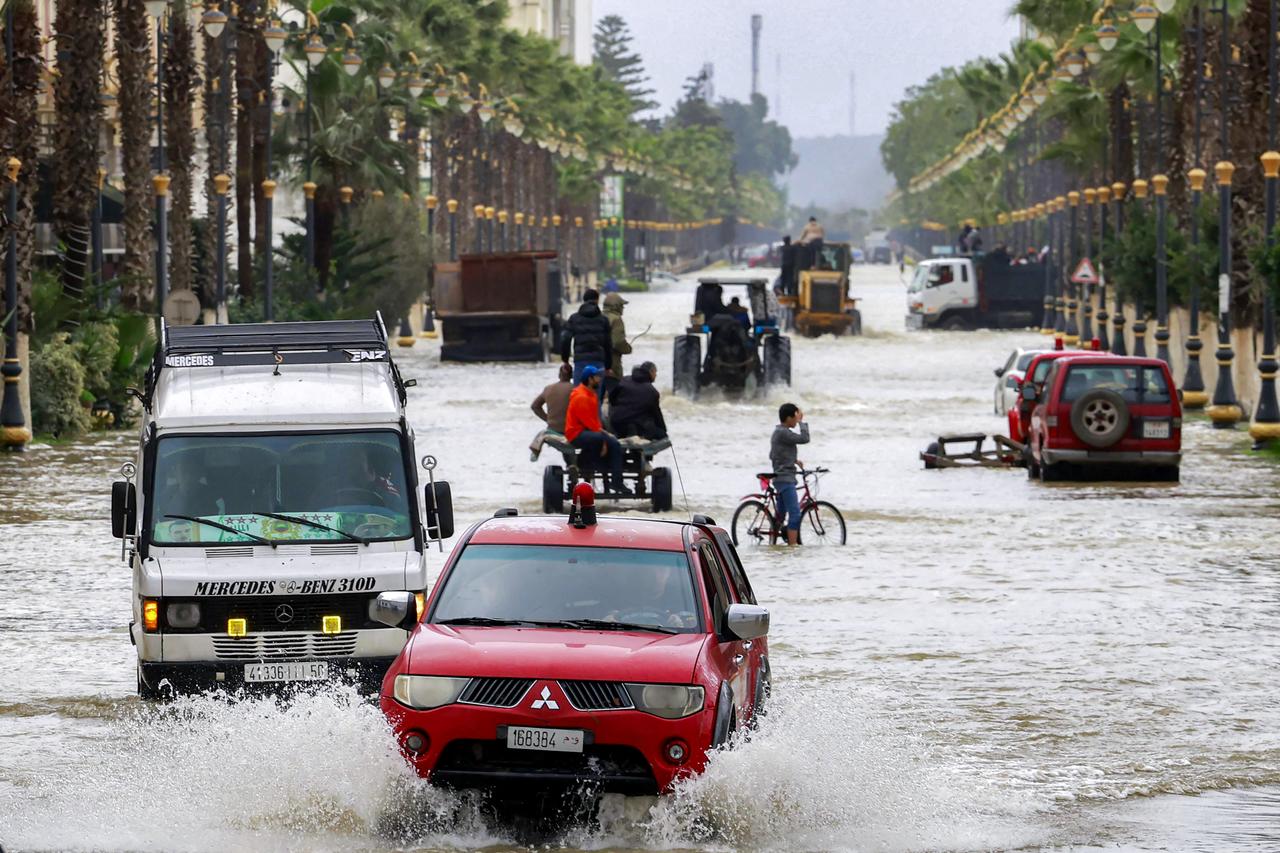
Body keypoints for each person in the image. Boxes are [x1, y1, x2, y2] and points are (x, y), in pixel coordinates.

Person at [565, 365, 629, 494]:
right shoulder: (581, 396)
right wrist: (605, 437)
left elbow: (595, 420)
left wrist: (603, 435)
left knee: (611, 439)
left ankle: (600, 465)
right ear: (590, 379)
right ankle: (617, 482)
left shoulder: (591, 395)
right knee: (614, 443)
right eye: (597, 377)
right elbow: (588, 422)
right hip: (576, 434)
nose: (600, 380)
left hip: (588, 431)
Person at [770, 403, 810, 546]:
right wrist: (802, 422)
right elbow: (805, 438)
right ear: (788, 418)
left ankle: (773, 542)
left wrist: (793, 460)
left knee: (780, 516)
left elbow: (775, 454)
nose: (796, 419)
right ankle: (792, 547)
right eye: (795, 416)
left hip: (781, 477)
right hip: (785, 479)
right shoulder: (783, 432)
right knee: (795, 514)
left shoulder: (779, 432)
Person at [560, 289, 612, 384]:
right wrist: (608, 366)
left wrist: (565, 360)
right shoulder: (604, 320)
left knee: (579, 394)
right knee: (596, 394)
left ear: (584, 300)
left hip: (580, 361)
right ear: (597, 300)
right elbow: (608, 344)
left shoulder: (574, 318)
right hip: (598, 360)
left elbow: (565, 339)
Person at [608, 361, 667, 441]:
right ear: (651, 372)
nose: (656, 375)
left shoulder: (624, 380)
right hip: (635, 427)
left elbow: (612, 398)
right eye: (655, 372)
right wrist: (664, 430)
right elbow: (656, 414)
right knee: (660, 434)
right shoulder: (652, 392)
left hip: (616, 422)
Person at [531, 363, 574, 434]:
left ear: (559, 375)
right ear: (572, 375)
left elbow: (535, 406)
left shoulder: (548, 389)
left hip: (552, 430)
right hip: (569, 431)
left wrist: (548, 420)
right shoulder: (575, 389)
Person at [602, 292, 632, 381]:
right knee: (615, 388)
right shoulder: (616, 319)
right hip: (613, 362)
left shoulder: (598, 316)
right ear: (616, 306)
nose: (623, 308)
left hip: (597, 361)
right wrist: (627, 349)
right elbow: (618, 342)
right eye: (621, 306)